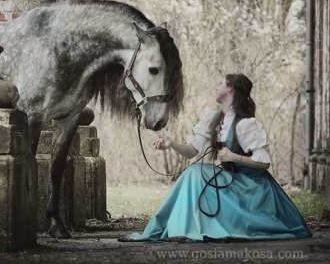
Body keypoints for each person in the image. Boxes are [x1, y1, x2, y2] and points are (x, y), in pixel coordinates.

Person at [119, 74, 312, 242]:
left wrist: (233, 156)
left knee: (195, 173)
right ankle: (179, 226)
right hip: (229, 179)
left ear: (230, 89)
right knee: (192, 172)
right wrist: (171, 144)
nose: (217, 87)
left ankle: (186, 228)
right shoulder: (214, 118)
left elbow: (263, 163)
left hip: (251, 186)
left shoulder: (246, 124)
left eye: (221, 83)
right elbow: (192, 151)